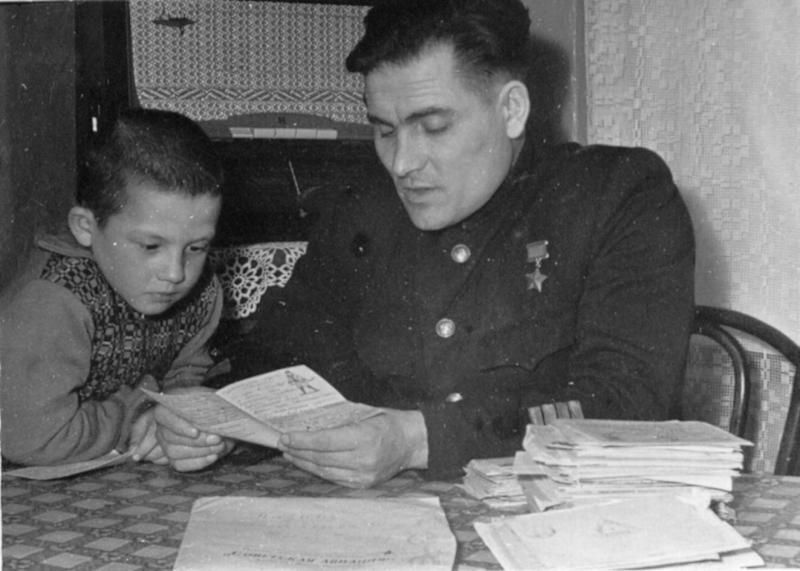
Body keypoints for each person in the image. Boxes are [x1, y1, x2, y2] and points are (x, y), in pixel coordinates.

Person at [166, 0, 696, 486]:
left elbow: (628, 402)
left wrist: (418, 440)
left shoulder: (614, 196)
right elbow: (280, 353)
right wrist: (216, 423)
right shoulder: (362, 210)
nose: (402, 164)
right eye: (384, 130)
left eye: (434, 127)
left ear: (512, 110)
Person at [0, 108, 233, 469]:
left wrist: (180, 422)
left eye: (196, 247)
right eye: (151, 246)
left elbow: (187, 375)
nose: (175, 273)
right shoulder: (53, 300)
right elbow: (31, 439)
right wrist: (139, 418)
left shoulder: (201, 292)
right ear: (86, 228)